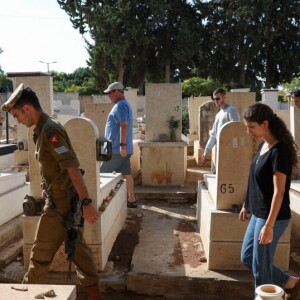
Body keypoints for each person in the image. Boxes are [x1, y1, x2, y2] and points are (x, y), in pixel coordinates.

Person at [0, 83, 102, 300]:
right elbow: (56, 169)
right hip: (60, 200)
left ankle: (26, 297)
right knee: (80, 254)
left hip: (60, 206)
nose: (17, 120)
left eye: (17, 114)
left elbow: (71, 167)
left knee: (40, 257)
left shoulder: (50, 130)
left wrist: (86, 203)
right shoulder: (41, 130)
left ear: (27, 108)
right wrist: (49, 188)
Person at [239, 103, 299, 299]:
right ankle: (288, 282)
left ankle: (266, 297)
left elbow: (279, 191)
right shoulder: (263, 145)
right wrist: (246, 205)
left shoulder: (279, 152)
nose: (248, 132)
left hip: (273, 217)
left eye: (251, 127)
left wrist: (269, 226)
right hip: (258, 213)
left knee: (260, 268)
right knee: (247, 257)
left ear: (265, 124)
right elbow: (255, 180)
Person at [101, 82, 137, 208]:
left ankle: (101, 204)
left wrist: (122, 146)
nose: (109, 96)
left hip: (116, 149)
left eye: (110, 93)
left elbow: (123, 125)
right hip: (121, 149)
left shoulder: (120, 105)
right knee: (127, 174)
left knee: (101, 174)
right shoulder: (123, 104)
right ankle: (132, 200)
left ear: (117, 92)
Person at [201, 88, 240, 171]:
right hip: (220, 150)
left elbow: (237, 131)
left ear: (224, 97)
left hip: (230, 151)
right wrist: (206, 151)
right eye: (214, 99)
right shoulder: (218, 114)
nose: (216, 101)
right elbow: (214, 134)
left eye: (218, 98)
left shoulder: (232, 111)